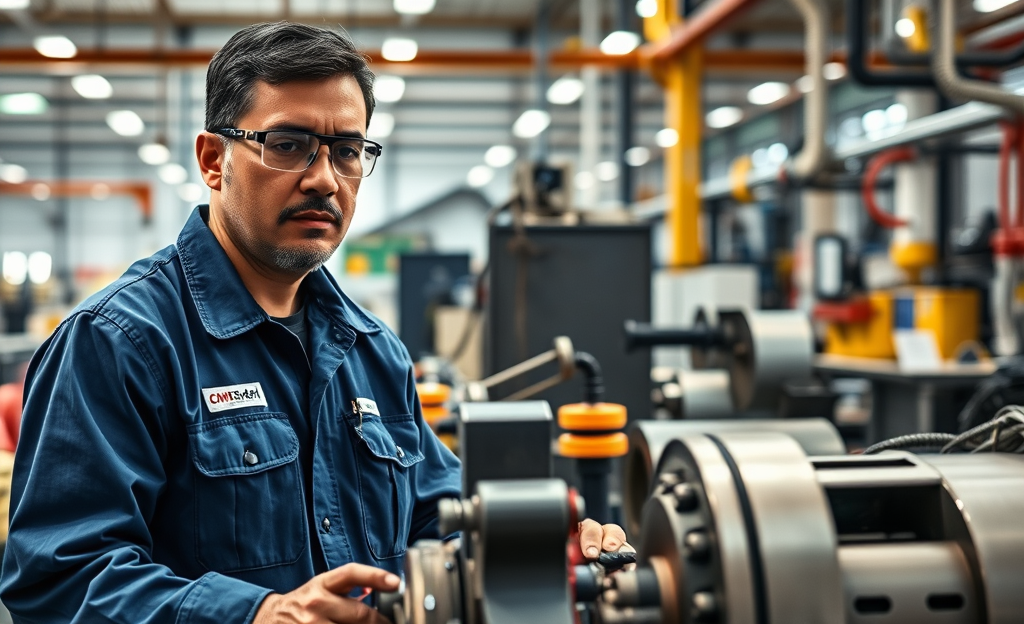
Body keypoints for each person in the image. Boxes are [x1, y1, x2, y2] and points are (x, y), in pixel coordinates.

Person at [0, 21, 625, 624]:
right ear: (214, 160)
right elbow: (57, 579)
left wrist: (549, 537)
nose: (325, 179)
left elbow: (442, 515)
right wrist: (255, 615)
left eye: (347, 151)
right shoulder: (119, 343)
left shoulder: (373, 351)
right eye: (288, 144)